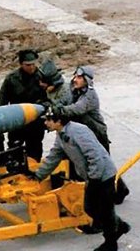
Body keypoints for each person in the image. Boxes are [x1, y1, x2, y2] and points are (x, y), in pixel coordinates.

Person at [32, 108, 130, 251]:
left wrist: (94, 179)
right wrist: (38, 175)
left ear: (58, 121)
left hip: (103, 175)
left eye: (48, 120)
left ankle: (111, 243)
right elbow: (54, 156)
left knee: (102, 210)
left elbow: (95, 155)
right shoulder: (61, 134)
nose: (46, 123)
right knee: (92, 209)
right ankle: (119, 226)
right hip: (93, 177)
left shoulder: (78, 131)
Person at [54, 66, 130, 205]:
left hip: (97, 134)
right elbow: (64, 102)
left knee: (105, 168)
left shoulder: (90, 95)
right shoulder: (73, 91)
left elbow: (78, 109)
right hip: (85, 135)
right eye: (75, 77)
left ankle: (120, 191)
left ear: (86, 80)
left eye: (79, 78)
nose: (75, 80)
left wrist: (60, 110)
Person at [0, 49, 47, 160]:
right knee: (15, 150)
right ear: (21, 64)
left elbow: (50, 98)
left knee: (35, 150)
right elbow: (1, 102)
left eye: (33, 64)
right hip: (16, 122)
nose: (31, 67)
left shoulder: (43, 76)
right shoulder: (11, 79)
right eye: (27, 65)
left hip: (35, 122)